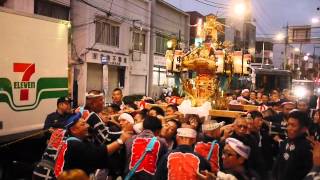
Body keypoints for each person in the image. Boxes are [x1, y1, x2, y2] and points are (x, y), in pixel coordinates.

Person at [33, 111, 132, 179]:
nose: (88, 126)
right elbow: (98, 154)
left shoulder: (62, 137)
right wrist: (120, 140)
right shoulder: (74, 144)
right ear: (73, 130)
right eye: (83, 124)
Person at [273, 110, 313, 180]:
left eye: (293, 125)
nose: (288, 128)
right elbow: (278, 163)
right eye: (288, 124)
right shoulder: (285, 142)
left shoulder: (308, 148)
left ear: (304, 129)